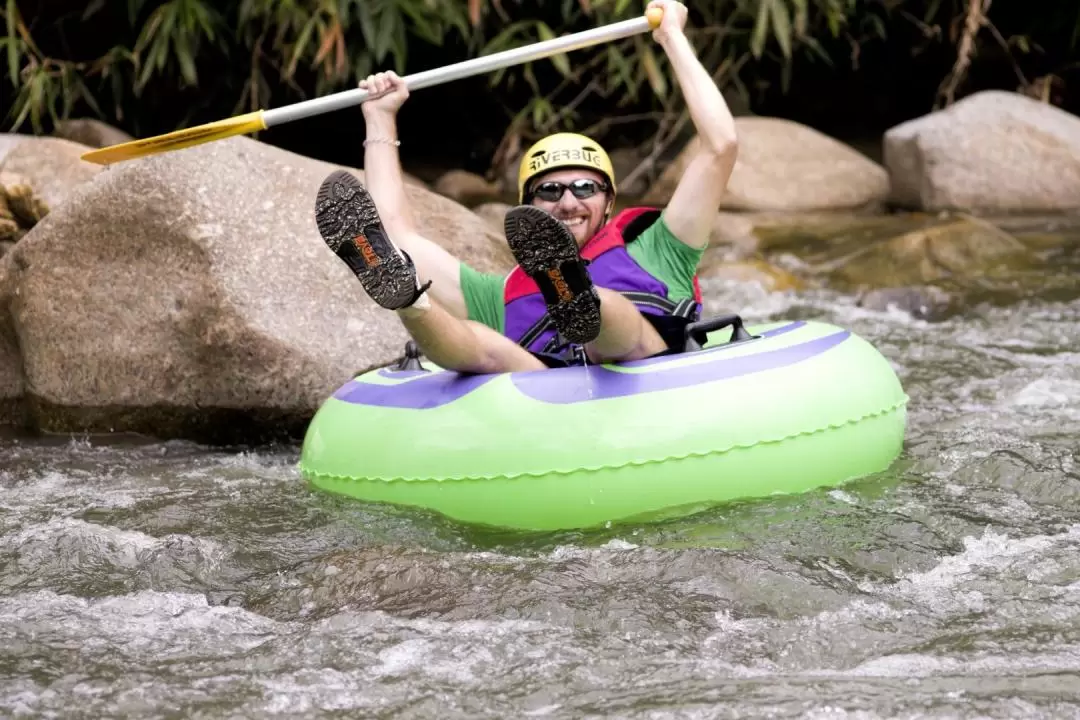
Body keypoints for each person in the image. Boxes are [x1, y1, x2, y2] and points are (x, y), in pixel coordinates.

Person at [314, 0, 737, 373]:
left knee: (617, 317)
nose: (569, 202)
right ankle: (410, 301)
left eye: (585, 187)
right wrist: (380, 117)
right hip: (547, 391)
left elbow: (720, 147)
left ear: (609, 202)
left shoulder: (662, 248)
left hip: (647, 366)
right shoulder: (502, 293)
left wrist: (672, 38)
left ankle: (579, 295)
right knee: (485, 344)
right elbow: (396, 235)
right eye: (549, 192)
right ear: (527, 206)